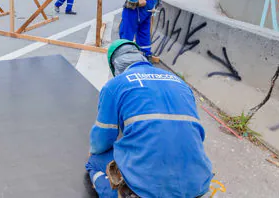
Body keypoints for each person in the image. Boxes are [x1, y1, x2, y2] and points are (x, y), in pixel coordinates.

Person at [85, 39, 212, 197]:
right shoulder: (180, 83)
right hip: (197, 183)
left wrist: (95, 151)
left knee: (95, 161)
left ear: (115, 67)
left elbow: (101, 139)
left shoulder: (115, 85)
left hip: (150, 190)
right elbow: (194, 134)